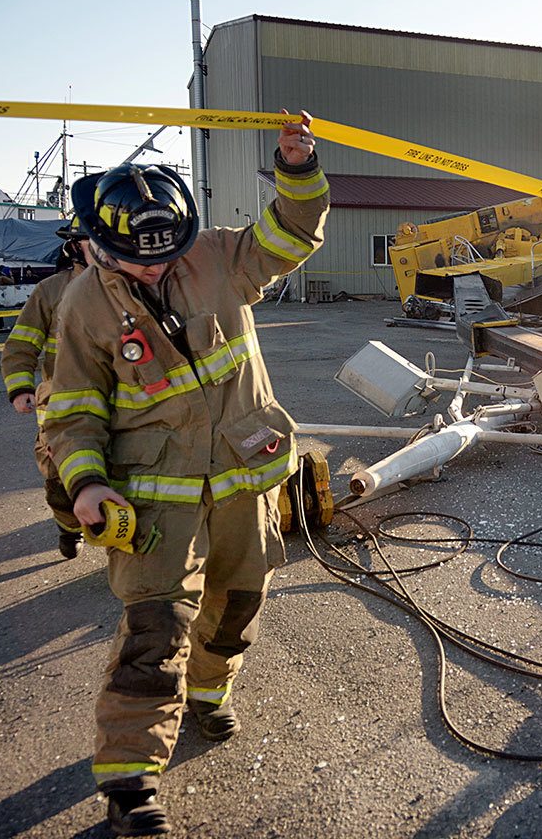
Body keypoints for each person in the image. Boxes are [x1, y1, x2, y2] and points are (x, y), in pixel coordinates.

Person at [42, 111, 328, 837]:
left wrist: (296, 169)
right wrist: (86, 483)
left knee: (236, 607)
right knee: (153, 630)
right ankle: (130, 780)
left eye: (166, 256)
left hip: (243, 480)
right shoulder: (82, 306)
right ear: (102, 245)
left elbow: (293, 233)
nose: (155, 269)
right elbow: (72, 411)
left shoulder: (218, 257)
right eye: (137, 261)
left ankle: (211, 689)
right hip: (154, 501)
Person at [0, 217, 93, 559]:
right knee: (60, 484)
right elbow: (21, 345)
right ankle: (69, 527)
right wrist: (20, 387)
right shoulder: (52, 291)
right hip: (61, 405)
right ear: (75, 247)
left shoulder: (131, 286)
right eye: (92, 241)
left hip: (120, 404)